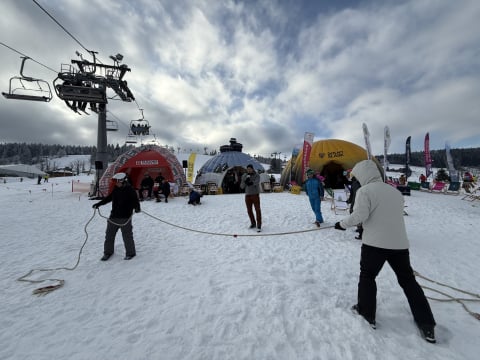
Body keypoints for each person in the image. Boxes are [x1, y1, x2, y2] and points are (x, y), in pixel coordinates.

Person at [334, 160, 436, 343]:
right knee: (408, 281)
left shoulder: (365, 191)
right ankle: (427, 323)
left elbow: (360, 216)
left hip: (375, 244)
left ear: (363, 175)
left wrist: (341, 224)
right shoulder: (395, 192)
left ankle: (367, 313)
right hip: (399, 245)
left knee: (367, 276)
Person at [92, 172, 140, 261]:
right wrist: (99, 204)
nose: (116, 183)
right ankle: (108, 252)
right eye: (116, 181)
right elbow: (109, 198)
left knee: (127, 236)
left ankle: (130, 253)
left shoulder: (130, 190)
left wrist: (137, 208)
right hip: (113, 217)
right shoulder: (116, 189)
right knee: (109, 235)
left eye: (118, 181)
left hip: (125, 218)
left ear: (123, 181)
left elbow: (135, 201)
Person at [240, 164, 262, 232]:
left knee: (257, 209)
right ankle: (253, 223)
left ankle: (259, 224)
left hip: (255, 194)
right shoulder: (244, 175)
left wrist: (250, 182)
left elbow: (256, 183)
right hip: (247, 195)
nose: (249, 170)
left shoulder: (256, 175)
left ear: (252, 169)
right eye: (248, 169)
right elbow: (242, 186)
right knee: (249, 210)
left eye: (250, 169)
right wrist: (245, 181)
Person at [346, 174, 363, 240]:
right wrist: (349, 201)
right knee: (353, 214)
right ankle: (359, 228)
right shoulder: (354, 184)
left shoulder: (363, 183)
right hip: (354, 202)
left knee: (360, 217)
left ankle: (361, 233)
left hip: (361, 203)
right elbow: (352, 194)